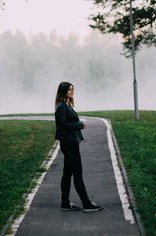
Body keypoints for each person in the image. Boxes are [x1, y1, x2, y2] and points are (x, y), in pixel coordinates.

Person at [54, 81, 103, 212]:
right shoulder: (62, 107)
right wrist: (79, 125)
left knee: (67, 174)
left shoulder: (65, 105)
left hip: (71, 143)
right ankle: (86, 203)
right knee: (77, 174)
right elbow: (62, 125)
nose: (72, 91)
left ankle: (65, 203)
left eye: (73, 89)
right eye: (69, 89)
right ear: (63, 91)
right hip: (69, 144)